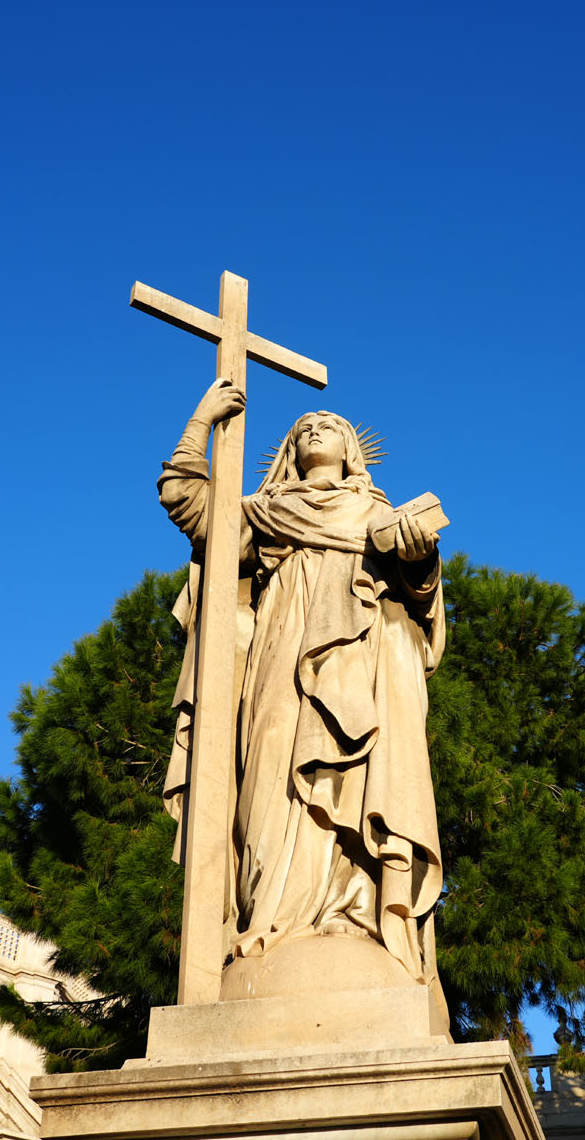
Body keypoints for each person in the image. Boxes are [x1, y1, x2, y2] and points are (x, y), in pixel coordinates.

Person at [159, 378, 445, 983]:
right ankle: (270, 919)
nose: (317, 429)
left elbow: (421, 604)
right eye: (305, 428)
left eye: (331, 426)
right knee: (268, 774)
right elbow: (191, 506)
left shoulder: (378, 516)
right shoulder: (263, 515)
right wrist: (201, 421)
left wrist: (419, 558)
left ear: (350, 451)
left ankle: (354, 915)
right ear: (290, 452)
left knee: (359, 775)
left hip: (363, 661)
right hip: (279, 652)